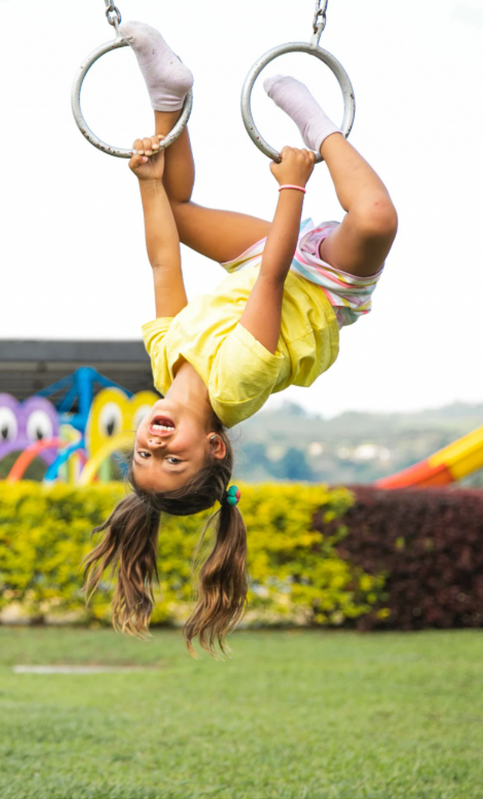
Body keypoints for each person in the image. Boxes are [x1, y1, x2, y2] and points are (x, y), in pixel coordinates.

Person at [84, 22, 398, 655]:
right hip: (323, 284)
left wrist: (147, 182)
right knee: (376, 219)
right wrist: (293, 183)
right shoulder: (236, 384)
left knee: (172, 206)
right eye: (174, 460)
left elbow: (163, 263)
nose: (155, 444)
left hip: (260, 260)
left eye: (144, 456)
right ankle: (320, 127)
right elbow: (276, 284)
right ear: (215, 448)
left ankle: (167, 91)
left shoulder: (165, 361)